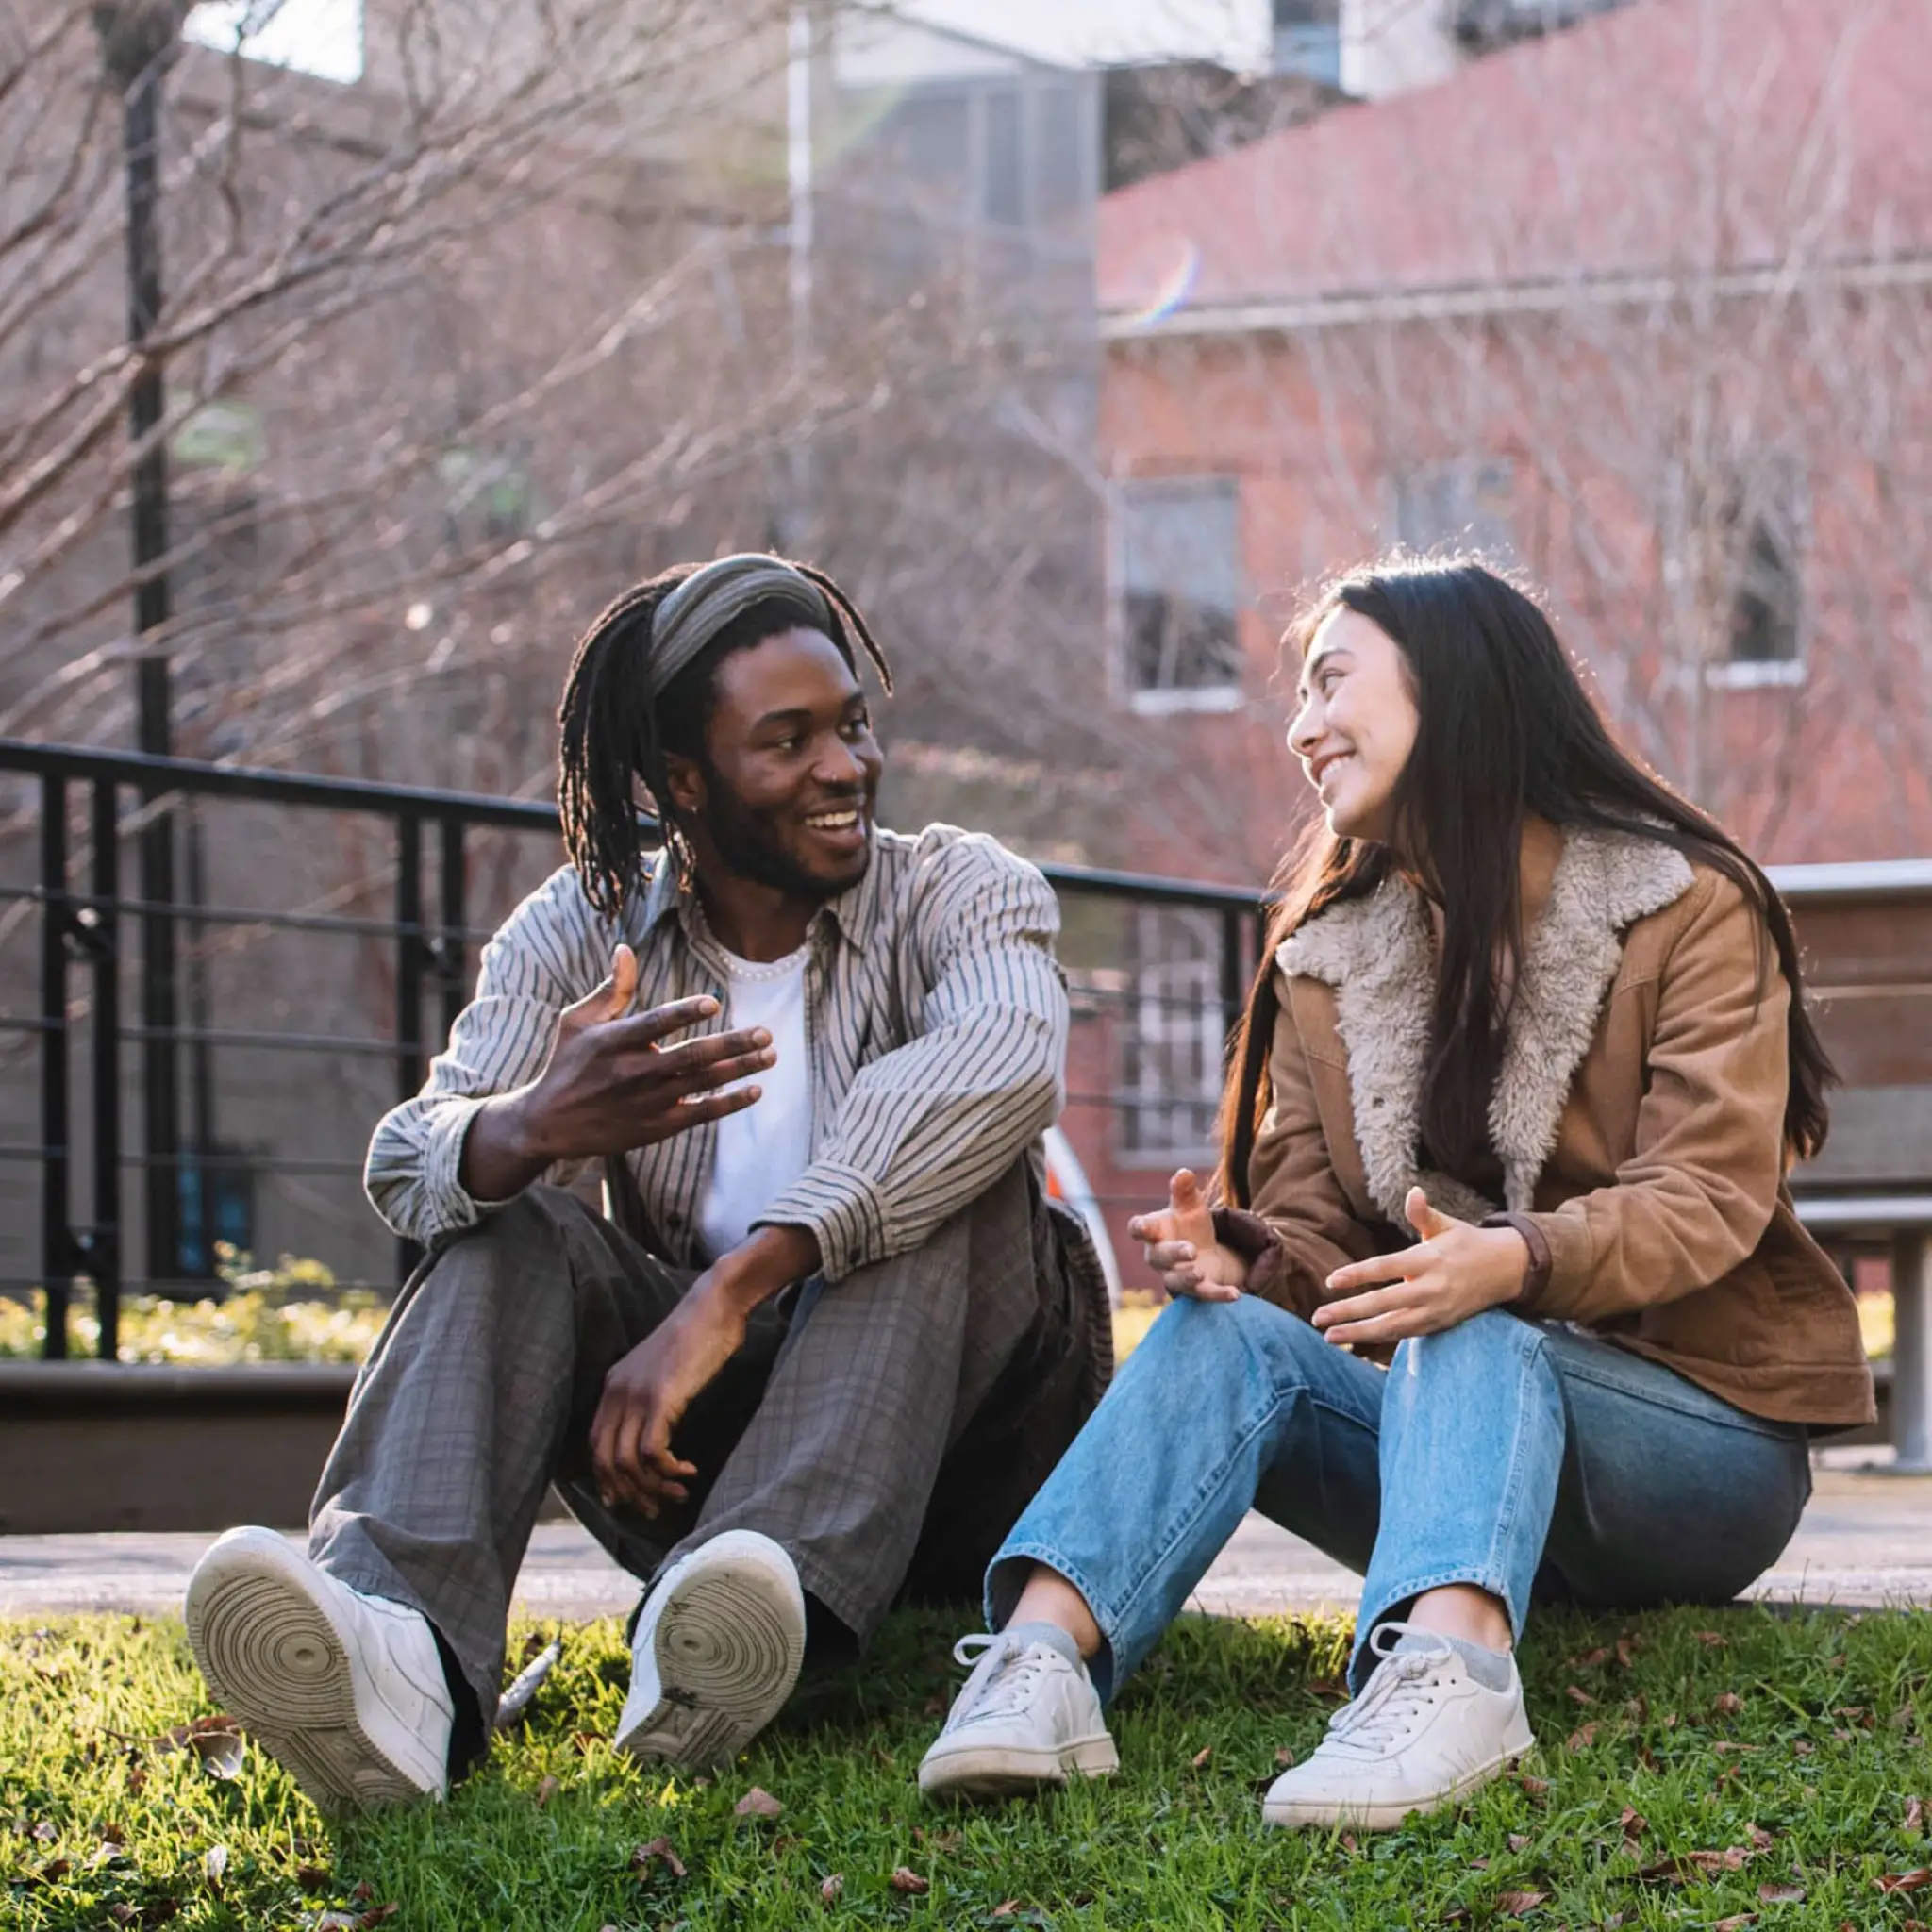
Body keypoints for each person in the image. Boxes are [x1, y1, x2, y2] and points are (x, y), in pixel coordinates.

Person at [919, 556, 1874, 1825]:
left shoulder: (1683, 908)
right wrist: (1246, 1259)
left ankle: (1451, 1678)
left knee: (1471, 1313)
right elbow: (1319, 1233)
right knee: (1224, 1337)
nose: (1302, 726)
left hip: (1697, 1458)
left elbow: (1706, 1193)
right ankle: (1042, 1663)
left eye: (1332, 683)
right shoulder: (1329, 955)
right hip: (1451, 1464)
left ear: (1458, 691)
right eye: (1299, 695)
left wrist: (1515, 1262)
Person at [182, 553, 1111, 1814]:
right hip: (702, 1460)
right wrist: (525, 1124)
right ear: (683, 782)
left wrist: (731, 1289)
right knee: (506, 1230)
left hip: (968, 1458)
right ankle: (400, 1653)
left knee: (953, 1180)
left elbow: (1001, 1063)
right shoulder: (585, 925)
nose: (844, 767)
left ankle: (748, 1590)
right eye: (786, 743)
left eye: (850, 726)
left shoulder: (960, 888)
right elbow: (413, 1157)